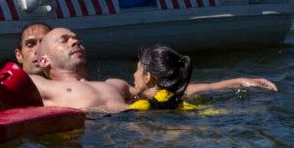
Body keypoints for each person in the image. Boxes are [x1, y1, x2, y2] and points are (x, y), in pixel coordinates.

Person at [28, 27, 277, 113]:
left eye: (77, 38)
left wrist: (236, 82)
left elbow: (167, 90)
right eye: (64, 40)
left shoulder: (115, 85)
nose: (75, 41)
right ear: (45, 61)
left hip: (138, 131)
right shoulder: (42, 85)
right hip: (100, 138)